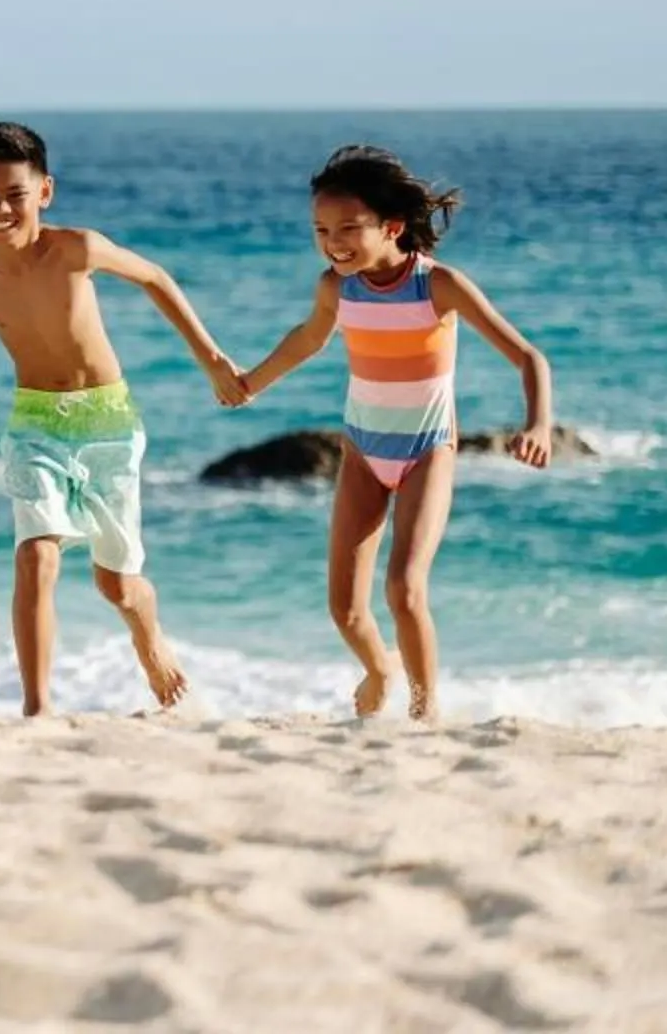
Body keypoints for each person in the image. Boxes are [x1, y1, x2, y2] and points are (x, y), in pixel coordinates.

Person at [0, 121, 243, 714]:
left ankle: (148, 635)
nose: (0, 209)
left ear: (44, 192)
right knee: (35, 554)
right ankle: (37, 707)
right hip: (34, 427)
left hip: (108, 424)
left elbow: (155, 278)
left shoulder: (78, 249)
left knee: (117, 585)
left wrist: (212, 359)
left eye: (15, 195)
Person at [232, 145, 555, 721]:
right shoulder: (337, 287)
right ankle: (381, 668)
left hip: (427, 451)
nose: (334, 242)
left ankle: (425, 716)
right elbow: (307, 340)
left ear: (393, 226)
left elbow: (528, 356)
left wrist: (538, 424)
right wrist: (250, 382)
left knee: (404, 590)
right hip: (361, 451)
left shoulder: (440, 286)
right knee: (345, 612)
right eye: (322, 229)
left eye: (350, 228)